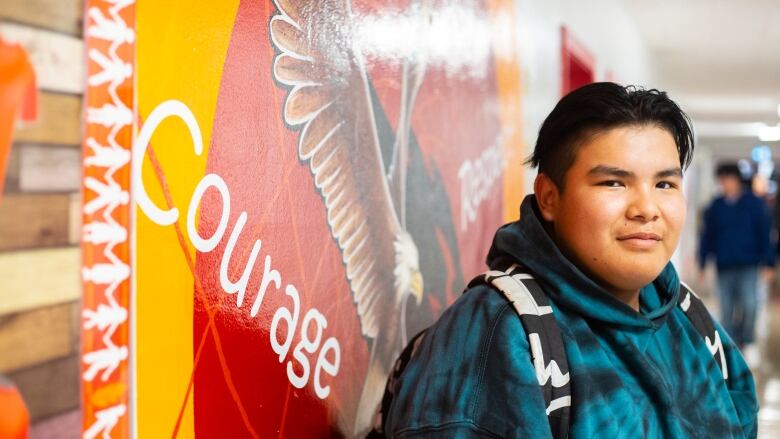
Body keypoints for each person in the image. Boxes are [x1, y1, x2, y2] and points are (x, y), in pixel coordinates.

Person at [375, 83, 757, 438]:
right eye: (613, 183)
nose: (647, 209)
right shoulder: (499, 335)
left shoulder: (687, 317)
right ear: (549, 197)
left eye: (665, 184)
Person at [699, 163, 775, 349]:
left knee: (750, 305)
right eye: (721, 180)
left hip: (748, 264)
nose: (725, 184)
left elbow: (764, 233)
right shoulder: (716, 206)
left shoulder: (753, 204)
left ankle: (745, 339)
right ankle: (730, 344)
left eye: (728, 179)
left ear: (736, 180)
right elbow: (707, 236)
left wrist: (769, 262)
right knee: (726, 308)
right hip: (724, 265)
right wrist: (702, 261)